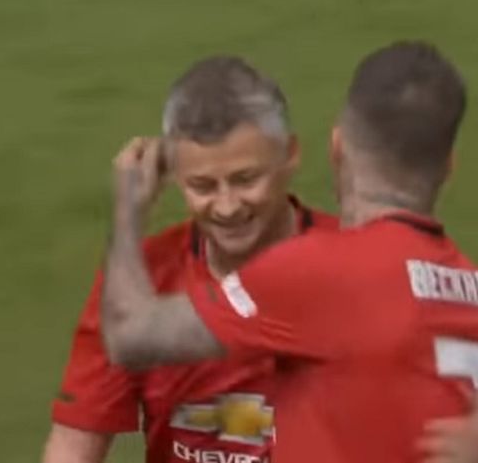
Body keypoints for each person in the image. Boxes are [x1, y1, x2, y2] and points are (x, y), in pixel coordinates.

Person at [101, 42, 478, 463]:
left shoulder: (321, 271)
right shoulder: (473, 292)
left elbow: (130, 337)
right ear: (448, 167)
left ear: (337, 147)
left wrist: (128, 210)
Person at [43, 56, 340, 463]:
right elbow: (75, 444)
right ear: (172, 174)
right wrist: (128, 214)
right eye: (202, 185)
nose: (227, 206)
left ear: (289, 155)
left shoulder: (356, 262)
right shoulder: (138, 284)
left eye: (245, 179)